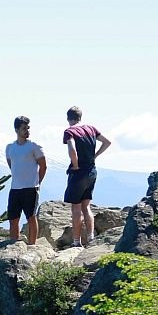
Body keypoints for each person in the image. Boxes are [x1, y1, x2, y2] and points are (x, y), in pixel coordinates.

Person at [63, 106, 112, 247]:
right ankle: (91, 238)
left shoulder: (69, 131)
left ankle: (76, 241)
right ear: (80, 117)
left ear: (68, 118)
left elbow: (72, 149)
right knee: (87, 206)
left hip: (78, 173)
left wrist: (75, 164)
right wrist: (94, 156)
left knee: (76, 209)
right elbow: (107, 142)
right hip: (91, 171)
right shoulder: (91, 129)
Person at [5, 116, 47, 244]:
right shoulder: (10, 147)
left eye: (28, 128)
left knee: (31, 217)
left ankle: (32, 244)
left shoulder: (34, 146)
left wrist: (37, 182)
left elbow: (43, 166)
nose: (27, 131)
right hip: (15, 188)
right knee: (13, 218)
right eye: (24, 128)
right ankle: (14, 243)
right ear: (16, 130)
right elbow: (11, 164)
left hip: (30, 188)